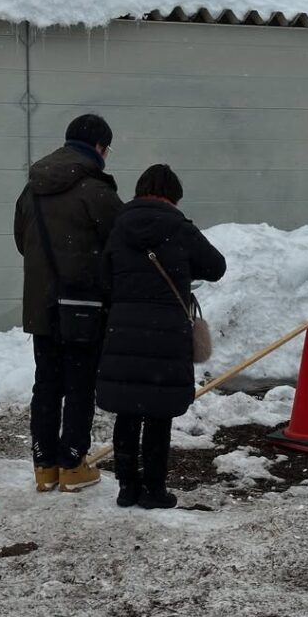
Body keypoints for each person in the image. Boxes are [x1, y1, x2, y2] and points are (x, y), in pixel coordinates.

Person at [96, 165, 226, 509]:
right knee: (157, 413)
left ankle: (126, 487)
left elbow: (104, 277)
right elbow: (216, 266)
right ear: (173, 195)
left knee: (126, 412)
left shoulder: (119, 227)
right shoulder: (179, 228)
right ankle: (153, 489)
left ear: (139, 190)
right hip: (166, 333)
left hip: (124, 331)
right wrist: (182, 265)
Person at [14, 114, 122, 493]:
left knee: (46, 384)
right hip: (82, 307)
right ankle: (72, 464)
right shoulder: (96, 191)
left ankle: (44, 467)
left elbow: (20, 240)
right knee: (79, 384)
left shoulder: (32, 190)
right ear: (99, 147)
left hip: (41, 306)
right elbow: (119, 246)